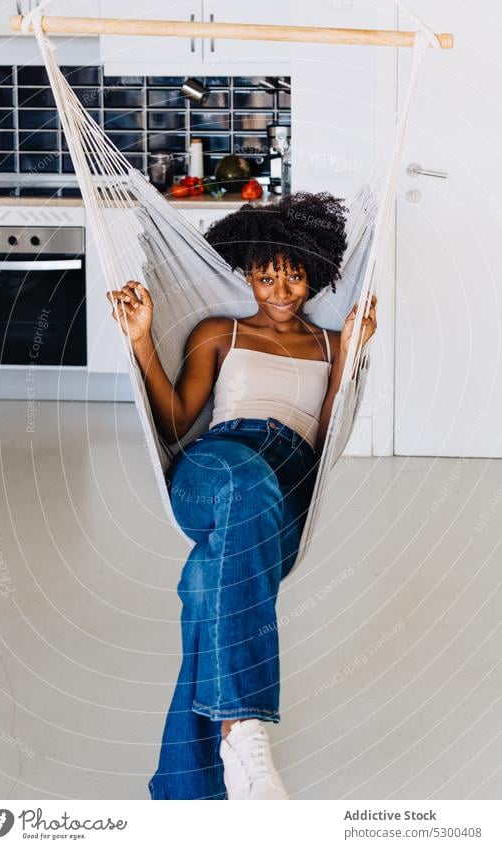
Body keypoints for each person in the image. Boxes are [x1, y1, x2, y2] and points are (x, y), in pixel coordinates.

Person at [106, 191, 377, 800]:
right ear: (248, 274)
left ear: (315, 274)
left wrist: (355, 354)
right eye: (265, 275)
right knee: (242, 481)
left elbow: (328, 431)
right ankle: (243, 730)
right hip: (217, 464)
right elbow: (177, 423)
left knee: (207, 586)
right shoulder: (218, 331)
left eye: (293, 275)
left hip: (290, 481)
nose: (280, 291)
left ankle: (186, 790)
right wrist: (142, 340)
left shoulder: (333, 343)